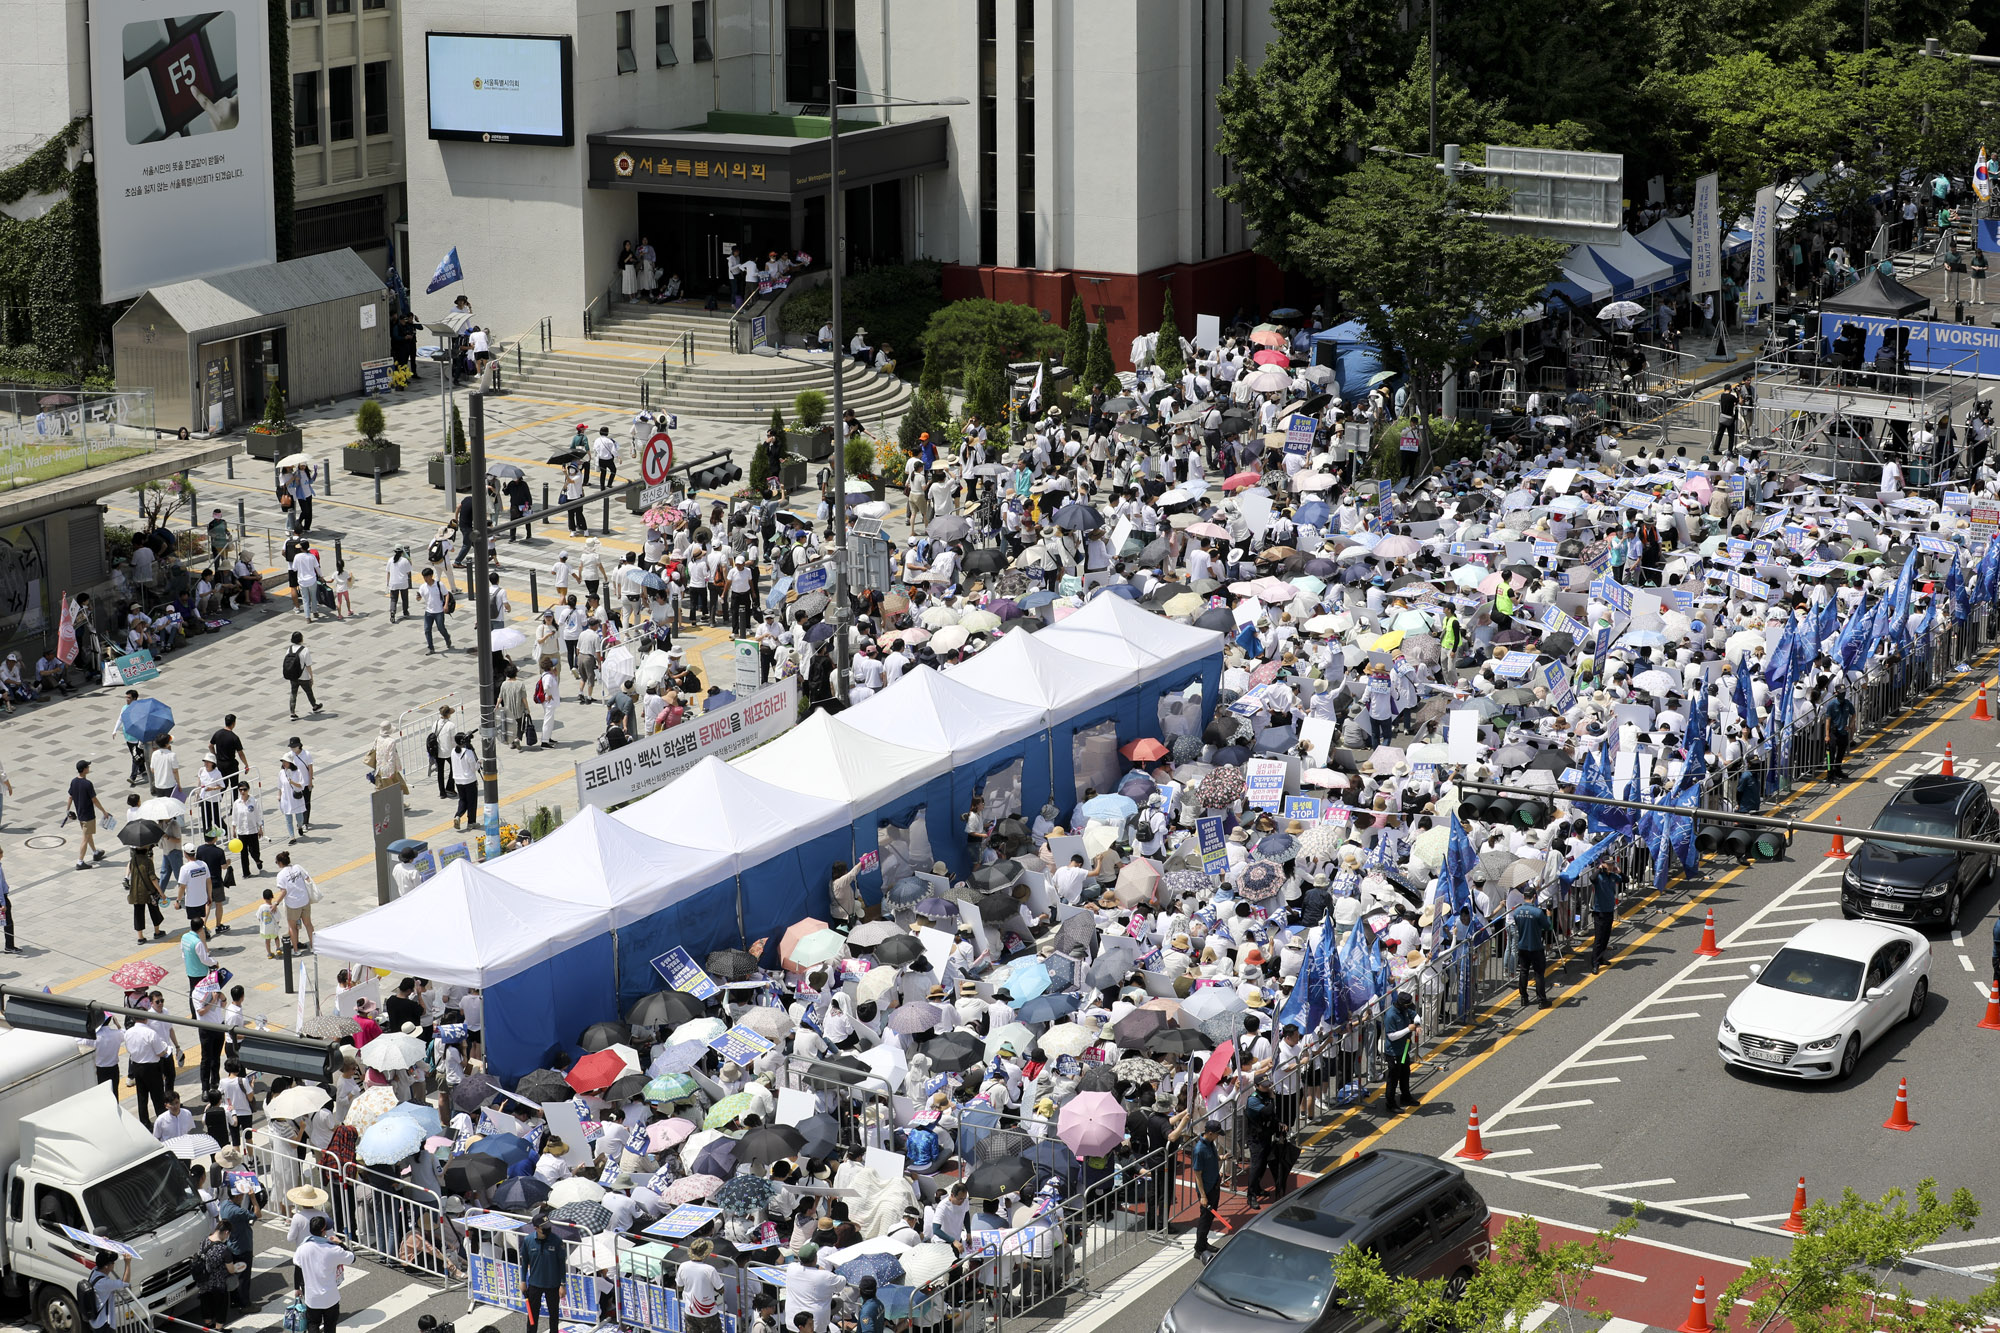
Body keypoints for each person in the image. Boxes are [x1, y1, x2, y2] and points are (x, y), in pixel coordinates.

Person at [293, 1215, 354, 1333]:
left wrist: (297, 1288)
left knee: (313, 1325)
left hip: (312, 1298)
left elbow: (298, 1268)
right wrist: (340, 1243)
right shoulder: (333, 1249)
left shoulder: (302, 1248)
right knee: (330, 1326)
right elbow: (352, 1258)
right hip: (330, 1298)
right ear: (323, 1231)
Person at [521, 1215, 568, 1333]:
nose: (547, 1229)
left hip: (553, 1284)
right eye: (544, 1227)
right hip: (535, 1284)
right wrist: (522, 1281)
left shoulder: (557, 1241)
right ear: (536, 1228)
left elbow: (562, 1264)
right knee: (532, 1315)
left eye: (548, 1226)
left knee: (554, 1315)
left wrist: (562, 1284)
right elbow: (524, 1262)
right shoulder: (528, 1241)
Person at [1512, 892, 1555, 1009]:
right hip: (1536, 946)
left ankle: (1523, 998)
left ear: (1523, 897)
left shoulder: (1517, 912)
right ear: (1534, 897)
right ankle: (1541, 1000)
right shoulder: (1537, 912)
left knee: (1523, 971)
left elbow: (1517, 923)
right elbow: (1548, 927)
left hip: (1522, 946)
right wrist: (1549, 914)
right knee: (1539, 974)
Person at [1190, 1120, 1224, 1262]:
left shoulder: (1210, 1144)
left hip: (1214, 1185)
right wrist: (1203, 1196)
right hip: (1207, 1189)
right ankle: (1199, 1249)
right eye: (1216, 1134)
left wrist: (1222, 1158)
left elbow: (1213, 1158)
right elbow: (1197, 1174)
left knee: (1210, 1217)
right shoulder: (1199, 1150)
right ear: (1210, 1133)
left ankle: (1204, 1243)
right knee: (1204, 1219)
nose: (1217, 1136)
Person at [69, 759, 110, 871]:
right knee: (85, 838)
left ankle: (95, 852)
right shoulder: (87, 784)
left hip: (80, 814)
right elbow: (94, 800)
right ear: (84, 770)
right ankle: (80, 861)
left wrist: (67, 810)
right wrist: (104, 811)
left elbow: (70, 796)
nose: (89, 768)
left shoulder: (73, 781)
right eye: (87, 767)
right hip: (88, 815)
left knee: (88, 834)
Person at [677, 1237, 726, 1333]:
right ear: (706, 1254)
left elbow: (679, 1287)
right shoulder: (709, 1269)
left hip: (690, 1311)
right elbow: (721, 1289)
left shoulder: (683, 1266)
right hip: (708, 1313)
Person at [81, 1249, 132, 1333]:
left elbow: (102, 1258)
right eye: (112, 1263)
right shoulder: (104, 1283)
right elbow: (125, 1283)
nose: (114, 1264)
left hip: (95, 1322)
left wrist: (105, 1246)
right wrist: (127, 1263)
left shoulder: (95, 1271)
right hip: (104, 1324)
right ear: (106, 1266)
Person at [275, 852, 315, 953]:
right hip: (304, 900)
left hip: (292, 904)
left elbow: (283, 892)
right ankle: (314, 946)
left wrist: (276, 903)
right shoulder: (298, 867)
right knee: (308, 924)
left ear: (280, 863)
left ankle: (296, 950)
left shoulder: (280, 875)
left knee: (292, 927)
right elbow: (307, 879)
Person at [282, 632, 320, 719]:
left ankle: (292, 713)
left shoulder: (289, 649)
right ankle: (314, 706)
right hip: (303, 676)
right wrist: (311, 677)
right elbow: (308, 665)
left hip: (293, 676)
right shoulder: (305, 650)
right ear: (301, 639)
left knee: (293, 693)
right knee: (308, 691)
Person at [419, 567, 454, 653]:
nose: (425, 579)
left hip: (439, 611)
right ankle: (431, 648)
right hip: (428, 612)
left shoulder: (439, 585)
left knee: (441, 628)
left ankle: (447, 637)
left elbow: (446, 594)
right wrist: (418, 597)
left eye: (427, 577)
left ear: (431, 576)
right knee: (427, 630)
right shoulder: (423, 586)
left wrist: (445, 605)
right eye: (424, 577)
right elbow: (419, 597)